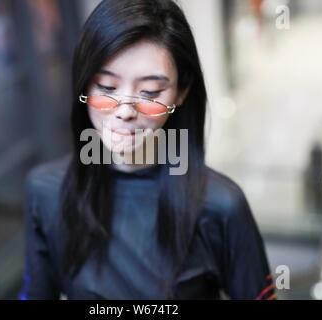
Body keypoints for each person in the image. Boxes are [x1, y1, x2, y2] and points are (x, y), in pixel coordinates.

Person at [20, 0, 275, 300]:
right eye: (106, 87)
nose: (125, 111)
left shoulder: (221, 207)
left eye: (150, 93)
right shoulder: (46, 191)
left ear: (181, 92)